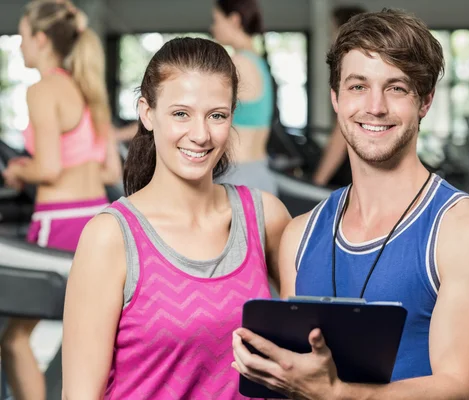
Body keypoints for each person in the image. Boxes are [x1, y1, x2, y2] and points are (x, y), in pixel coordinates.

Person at [231, 9, 469, 399]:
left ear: (425, 101)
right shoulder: (301, 235)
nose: (375, 107)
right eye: (357, 86)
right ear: (335, 98)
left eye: (396, 88)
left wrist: (335, 394)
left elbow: (460, 388)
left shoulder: (468, 234)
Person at [61, 36, 291, 399]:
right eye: (181, 113)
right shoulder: (110, 237)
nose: (200, 135)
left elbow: (310, 354)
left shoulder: (265, 217)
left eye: (216, 116)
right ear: (147, 112)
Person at [0, 1, 121, 398]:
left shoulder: (43, 89)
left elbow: (48, 168)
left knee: (15, 338)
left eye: (21, 37)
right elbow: (107, 173)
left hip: (60, 221)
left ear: (40, 39)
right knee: (93, 338)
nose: (19, 47)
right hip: (99, 217)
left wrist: (19, 170)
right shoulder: (86, 87)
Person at [211, 0, 278, 195]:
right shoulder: (258, 62)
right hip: (260, 175)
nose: (212, 27)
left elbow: (192, 109)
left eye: (216, 20)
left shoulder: (237, 63)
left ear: (233, 20)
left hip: (237, 179)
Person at [312, 5, 366, 187]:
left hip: (354, 170)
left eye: (333, 30)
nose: (330, 37)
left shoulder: (355, 71)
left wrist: (318, 181)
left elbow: (342, 133)